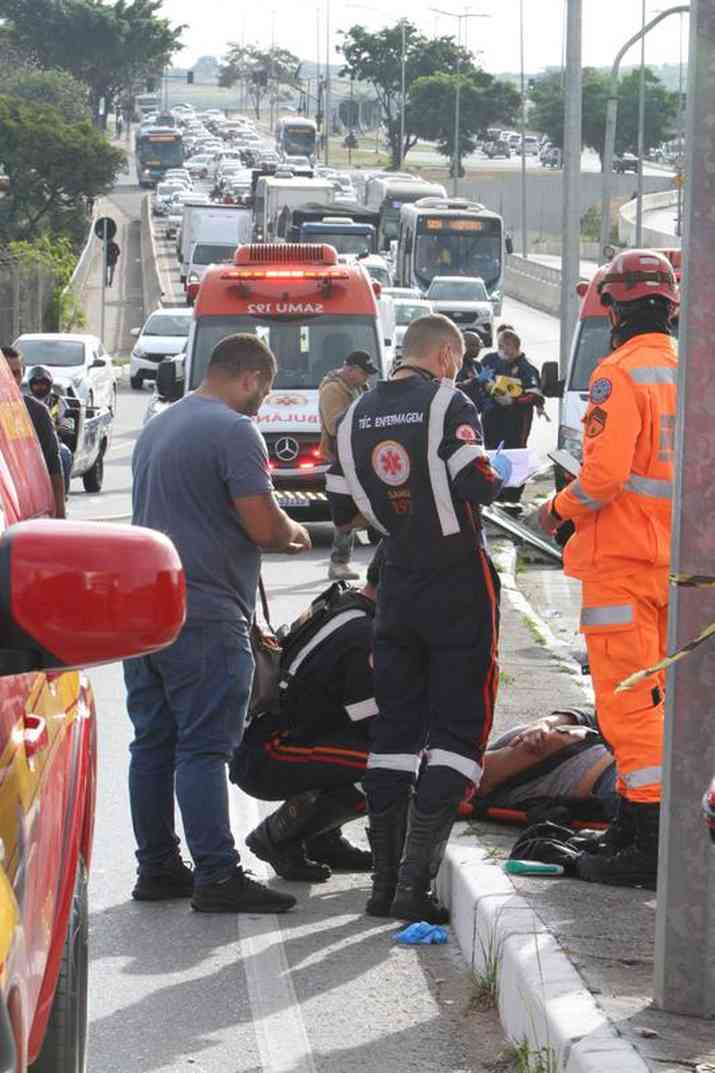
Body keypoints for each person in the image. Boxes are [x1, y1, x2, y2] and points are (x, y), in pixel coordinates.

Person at [326, 314, 512, 924]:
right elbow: (475, 481)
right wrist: (505, 474)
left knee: (394, 733)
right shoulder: (448, 401)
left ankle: (382, 887)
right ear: (446, 356)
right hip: (457, 577)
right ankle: (413, 886)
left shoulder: (352, 416)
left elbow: (341, 509)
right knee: (459, 730)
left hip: (396, 579)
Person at [124, 333, 311, 914]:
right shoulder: (235, 430)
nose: (264, 402)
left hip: (144, 613)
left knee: (153, 743)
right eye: (266, 389)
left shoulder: (159, 424)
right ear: (250, 377)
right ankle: (217, 875)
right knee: (204, 748)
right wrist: (295, 534)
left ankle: (158, 867)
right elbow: (262, 524)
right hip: (204, 615)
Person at [536, 248, 679, 889]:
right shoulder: (691, 370)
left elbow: (603, 477)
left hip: (622, 564)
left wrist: (556, 506)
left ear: (615, 308)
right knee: (671, 702)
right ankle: (643, 822)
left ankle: (646, 836)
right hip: (683, 570)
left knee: (626, 703)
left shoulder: (616, 376)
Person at [231, 550, 385, 882]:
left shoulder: (346, 602)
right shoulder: (363, 633)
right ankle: (278, 837)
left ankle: (322, 839)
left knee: (371, 752)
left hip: (271, 738)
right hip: (271, 752)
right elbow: (371, 719)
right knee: (386, 764)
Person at [319, 349, 377, 581]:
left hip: (356, 454)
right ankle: (339, 562)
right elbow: (335, 426)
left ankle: (343, 560)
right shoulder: (333, 389)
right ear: (350, 370)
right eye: (364, 373)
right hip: (343, 456)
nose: (367, 379)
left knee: (358, 507)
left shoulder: (356, 386)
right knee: (345, 510)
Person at [478, 328, 544, 505]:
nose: (503, 350)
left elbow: (534, 395)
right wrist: (489, 387)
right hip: (491, 418)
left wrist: (513, 400)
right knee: (492, 454)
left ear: (516, 347)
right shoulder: (490, 360)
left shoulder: (526, 368)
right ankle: (494, 495)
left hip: (515, 421)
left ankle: (512, 497)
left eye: (507, 346)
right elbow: (480, 380)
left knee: (514, 455)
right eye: (500, 346)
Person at [2, 348, 66, 518]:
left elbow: (53, 463)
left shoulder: (37, 412)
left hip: (28, 507)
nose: (10, 379)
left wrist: (60, 514)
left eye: (15, 373)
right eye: (5, 373)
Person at [26, 365, 73, 494]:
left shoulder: (58, 402)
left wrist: (57, 429)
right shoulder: (25, 402)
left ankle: (63, 494)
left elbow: (69, 425)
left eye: (43, 384)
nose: (40, 387)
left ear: (49, 384)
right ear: (31, 385)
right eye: (36, 384)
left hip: (54, 443)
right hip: (29, 444)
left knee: (65, 455)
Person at [456, 331, 484, 407]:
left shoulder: (477, 365)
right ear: (463, 346)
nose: (478, 348)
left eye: (479, 344)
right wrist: (475, 381)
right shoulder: (455, 365)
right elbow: (454, 388)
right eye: (473, 345)